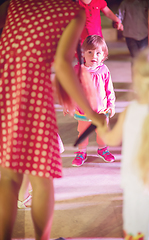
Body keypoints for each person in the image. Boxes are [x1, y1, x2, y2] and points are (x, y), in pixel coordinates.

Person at [0, 0, 106, 239]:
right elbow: (63, 65)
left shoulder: (14, 4)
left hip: (5, 93)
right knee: (42, 180)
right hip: (33, 99)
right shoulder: (71, 12)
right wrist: (92, 115)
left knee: (9, 177)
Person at [97, 46, 149, 239]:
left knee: (134, 229)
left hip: (133, 184)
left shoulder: (130, 111)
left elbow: (111, 139)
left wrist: (101, 126)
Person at [72, 35, 115, 167]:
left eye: (98, 53)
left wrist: (111, 105)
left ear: (103, 55)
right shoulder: (78, 71)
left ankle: (102, 149)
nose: (93, 56)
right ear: (83, 54)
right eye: (89, 52)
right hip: (83, 111)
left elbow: (109, 89)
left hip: (101, 111)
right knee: (83, 133)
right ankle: (81, 152)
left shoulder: (104, 70)